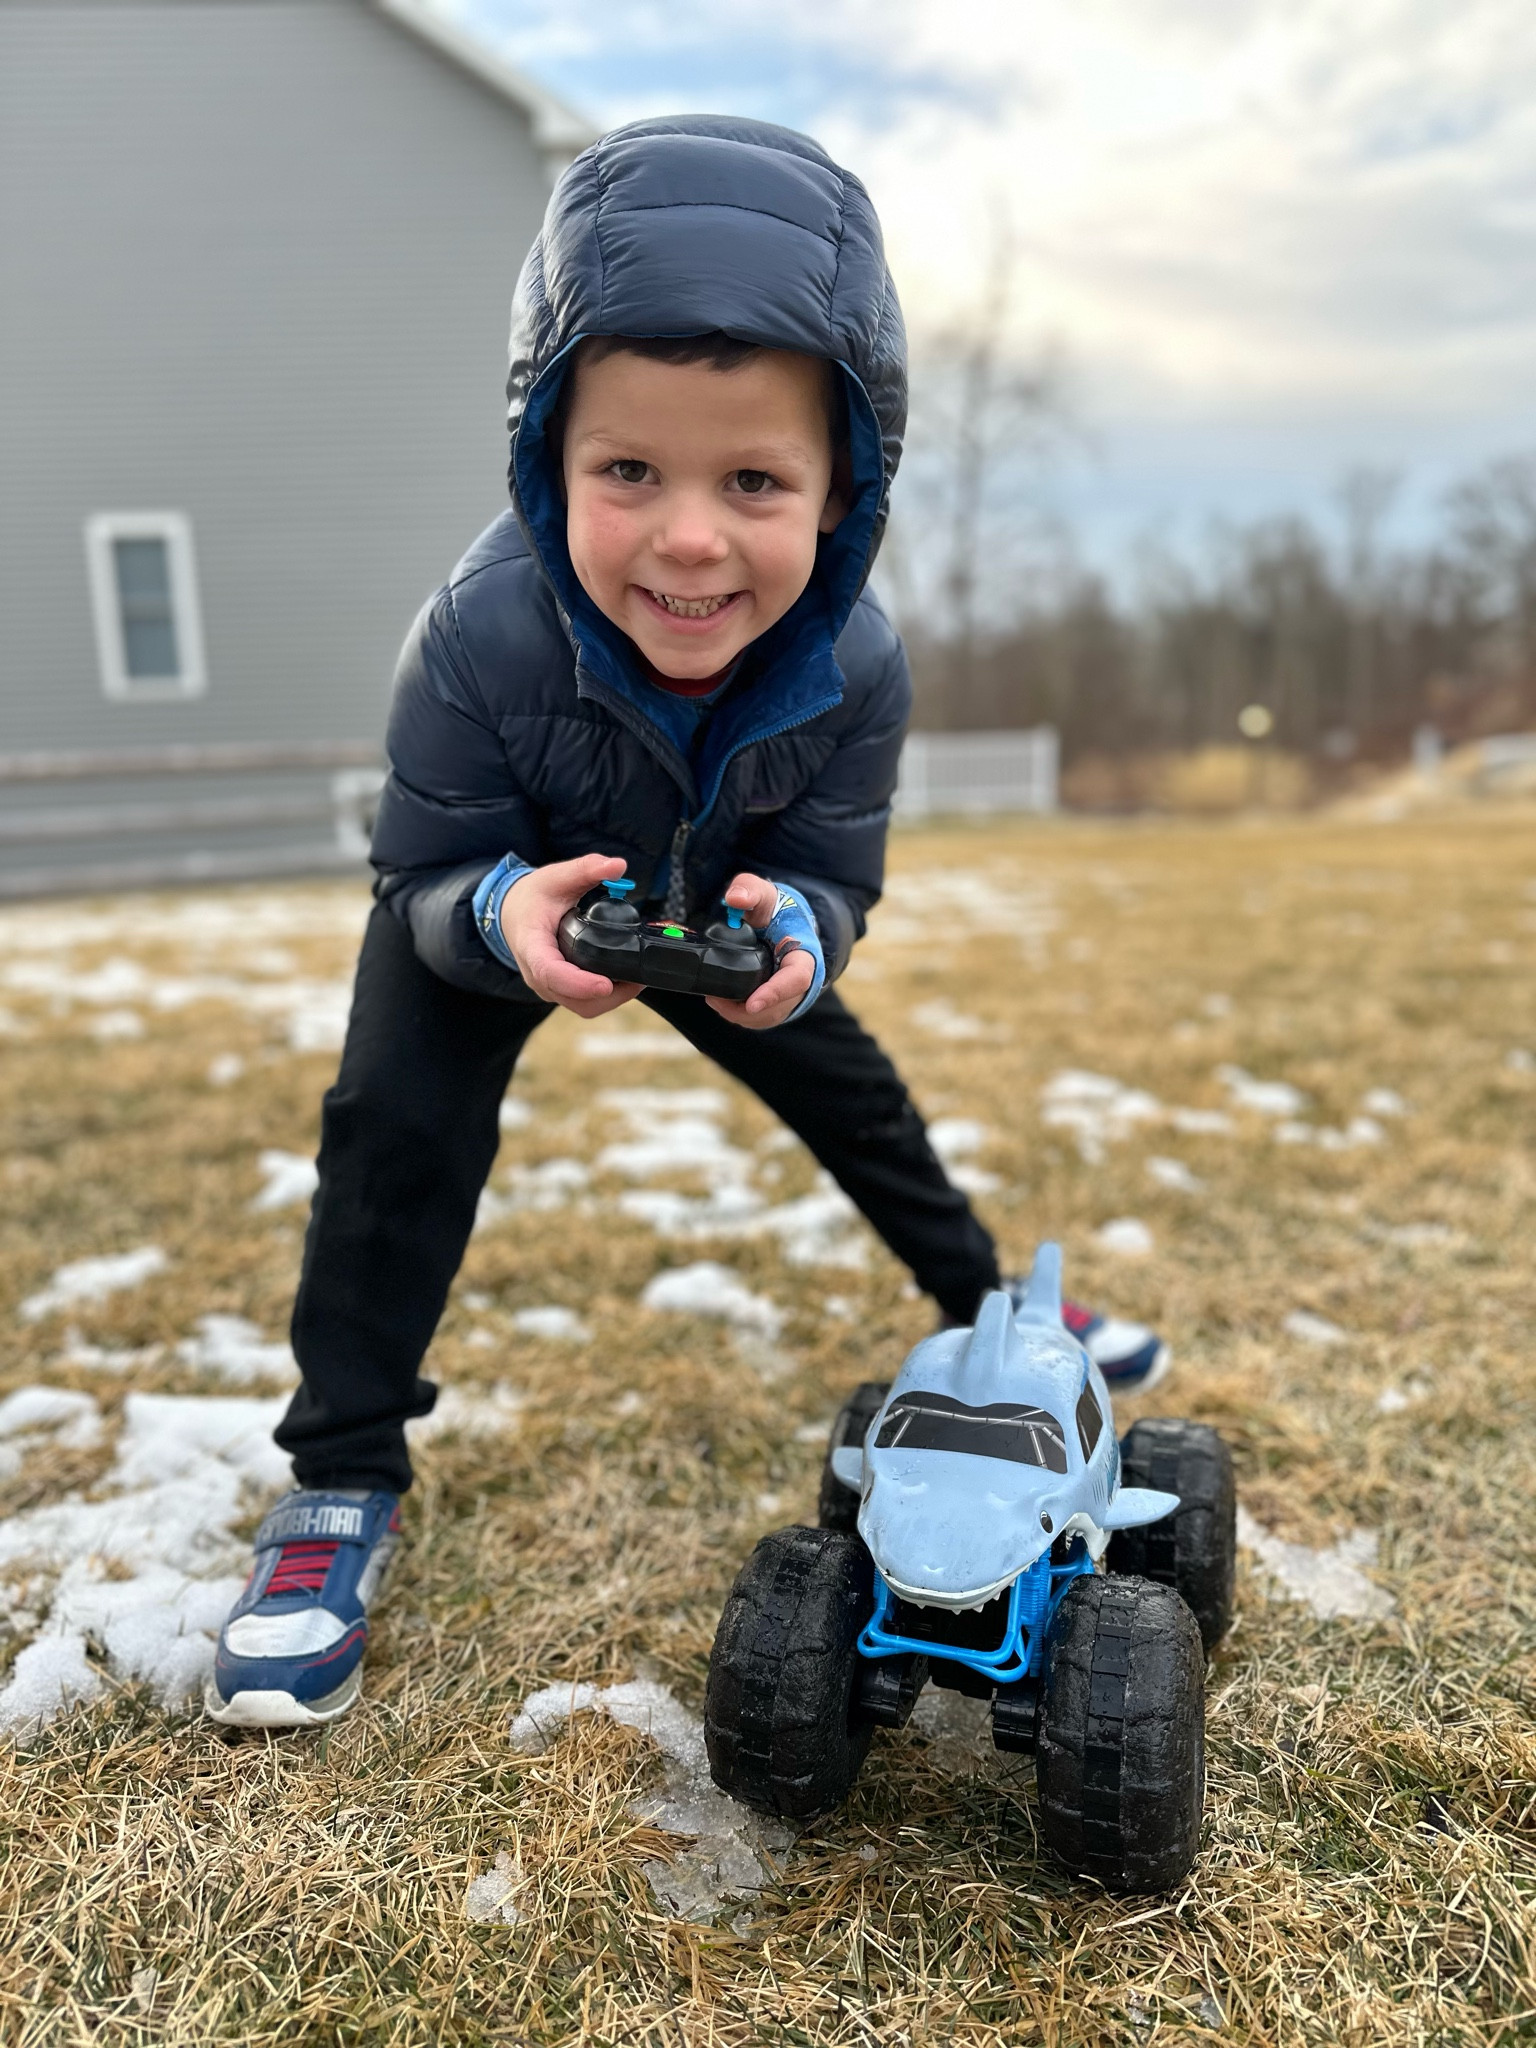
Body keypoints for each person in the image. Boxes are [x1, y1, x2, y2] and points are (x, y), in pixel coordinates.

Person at [207, 116, 1168, 1729]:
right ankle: (336, 1485)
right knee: (394, 1136)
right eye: (627, 472)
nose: (691, 539)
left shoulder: (856, 665)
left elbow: (840, 872)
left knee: (848, 1089)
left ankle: (1002, 1308)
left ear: (844, 492)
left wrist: (800, 926)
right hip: (501, 902)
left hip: (699, 906)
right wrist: (501, 912)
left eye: (754, 480)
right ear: (546, 460)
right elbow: (416, 872)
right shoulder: (474, 638)